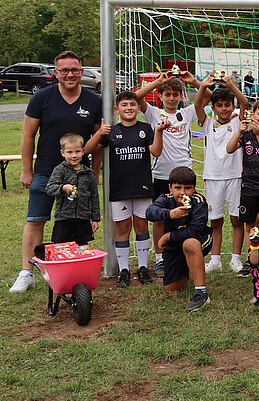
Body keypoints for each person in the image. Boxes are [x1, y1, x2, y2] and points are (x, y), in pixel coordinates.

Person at [12, 51, 102, 293]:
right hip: (45, 172)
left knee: (74, 224)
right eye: (64, 70)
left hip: (79, 176)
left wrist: (93, 172)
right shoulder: (42, 98)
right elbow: (28, 136)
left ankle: (74, 269)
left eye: (74, 70)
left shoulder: (94, 100)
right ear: (56, 73)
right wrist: (26, 170)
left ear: (82, 72)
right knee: (35, 221)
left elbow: (98, 140)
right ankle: (27, 271)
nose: (70, 74)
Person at [85, 91, 166, 287]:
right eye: (124, 105)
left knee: (141, 227)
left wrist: (159, 132)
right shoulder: (111, 131)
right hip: (119, 189)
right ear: (117, 109)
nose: (129, 108)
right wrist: (99, 133)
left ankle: (143, 267)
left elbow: (156, 151)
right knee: (122, 230)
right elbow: (87, 149)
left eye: (132, 104)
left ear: (139, 108)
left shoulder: (146, 128)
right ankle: (123, 270)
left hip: (142, 187)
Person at [137, 71, 202, 277]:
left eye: (176, 94)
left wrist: (193, 81)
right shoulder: (154, 113)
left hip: (184, 175)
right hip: (161, 174)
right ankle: (159, 257)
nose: (172, 98)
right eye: (168, 94)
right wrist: (158, 81)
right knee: (160, 218)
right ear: (161, 96)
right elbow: (137, 98)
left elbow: (206, 97)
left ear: (181, 96)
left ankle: (182, 252)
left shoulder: (188, 113)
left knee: (185, 215)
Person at [194, 77, 248, 274]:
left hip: (235, 176)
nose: (224, 109)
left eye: (227, 105)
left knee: (236, 219)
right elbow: (197, 103)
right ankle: (215, 259)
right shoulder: (207, 123)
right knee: (215, 220)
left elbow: (245, 103)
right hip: (213, 177)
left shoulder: (237, 121)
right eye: (220, 106)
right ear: (213, 108)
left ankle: (235, 258)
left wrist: (231, 84)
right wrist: (203, 86)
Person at [146, 166, 212, 312]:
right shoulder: (165, 199)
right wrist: (170, 214)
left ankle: (201, 293)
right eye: (178, 188)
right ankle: (188, 268)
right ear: (170, 188)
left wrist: (168, 236)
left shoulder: (199, 201)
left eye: (188, 188)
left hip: (200, 240)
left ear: (194, 188)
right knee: (172, 288)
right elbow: (150, 212)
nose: (182, 193)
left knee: (190, 243)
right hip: (175, 245)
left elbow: (195, 231)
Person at [226, 98, 259, 276]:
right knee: (250, 226)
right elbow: (229, 149)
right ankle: (250, 258)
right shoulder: (246, 134)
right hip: (248, 187)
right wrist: (239, 132)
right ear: (252, 114)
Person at [45, 133, 100, 245]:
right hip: (63, 218)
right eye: (70, 152)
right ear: (62, 153)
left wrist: (95, 219)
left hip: (83, 219)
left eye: (77, 151)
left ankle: (80, 263)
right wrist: (62, 188)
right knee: (61, 247)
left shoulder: (89, 173)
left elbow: (94, 197)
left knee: (82, 247)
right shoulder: (60, 170)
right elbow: (50, 188)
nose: (74, 155)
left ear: (83, 151)